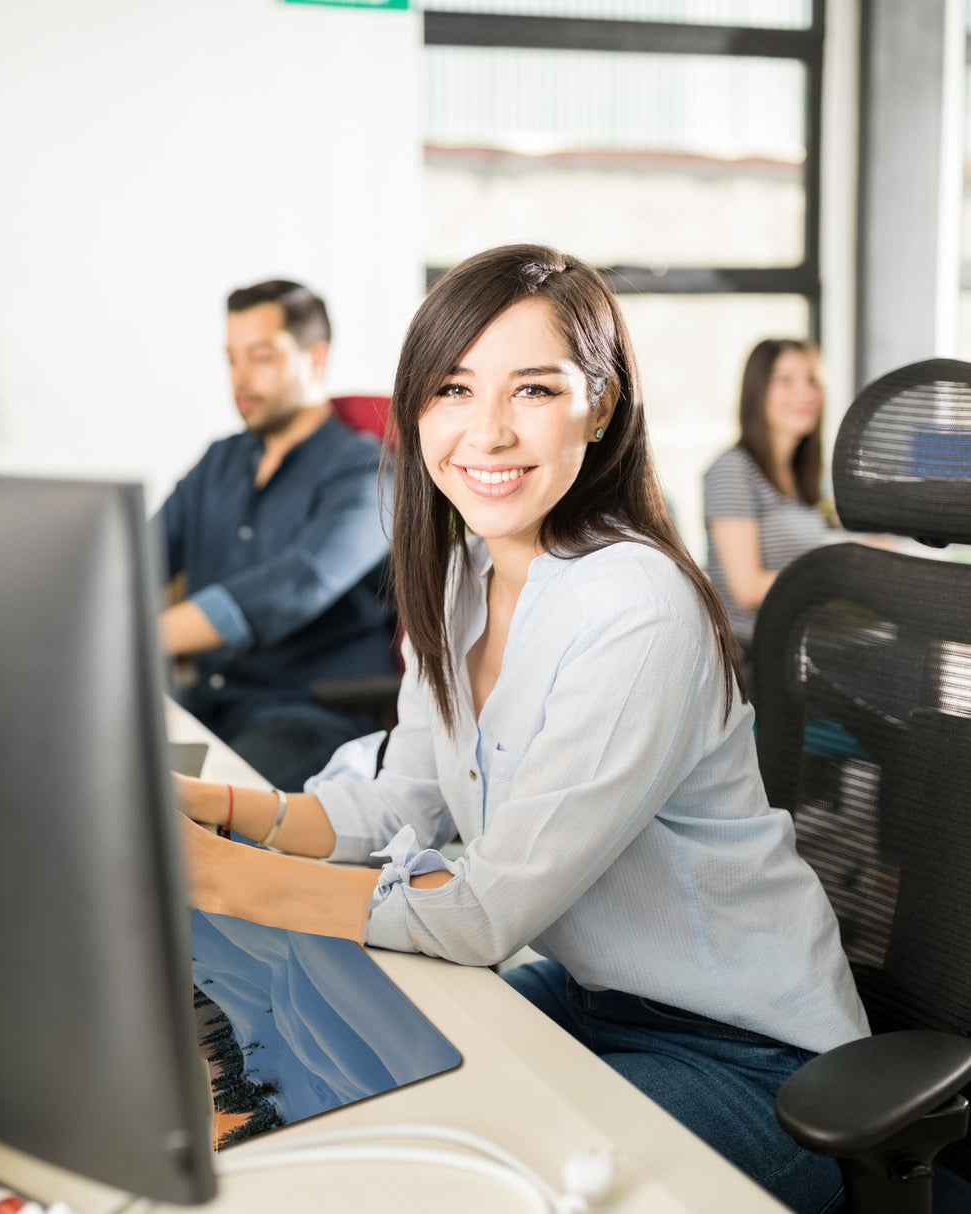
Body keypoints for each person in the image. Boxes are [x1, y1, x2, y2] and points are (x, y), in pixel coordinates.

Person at [175, 245, 868, 1214]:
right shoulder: (461, 572)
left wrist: (209, 874)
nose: (486, 430)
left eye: (533, 388)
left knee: (458, 1191)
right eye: (452, 388)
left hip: (751, 1056)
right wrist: (200, 806)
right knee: (335, 1104)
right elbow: (398, 795)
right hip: (588, 997)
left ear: (600, 404)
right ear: (414, 408)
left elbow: (481, 910)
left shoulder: (636, 606)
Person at [155, 279, 396, 790]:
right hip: (211, 702)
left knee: (195, 820)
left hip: (310, 714)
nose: (239, 378)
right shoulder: (218, 461)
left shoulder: (369, 473)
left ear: (314, 358)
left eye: (260, 357)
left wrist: (138, 636)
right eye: (231, 359)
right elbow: (132, 561)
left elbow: (297, 585)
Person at [703, 338, 839, 679]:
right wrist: (842, 569)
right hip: (755, 659)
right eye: (785, 380)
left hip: (799, 649)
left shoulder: (801, 479)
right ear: (757, 390)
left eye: (812, 380)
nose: (804, 393)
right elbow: (746, 589)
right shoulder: (732, 470)